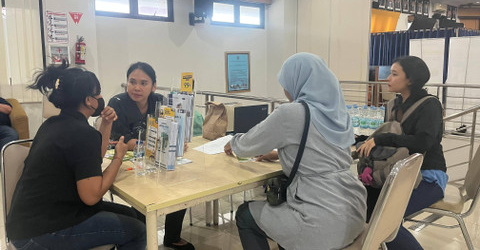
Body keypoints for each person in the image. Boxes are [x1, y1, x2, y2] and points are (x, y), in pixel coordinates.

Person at [224, 53, 367, 250]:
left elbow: (247, 144)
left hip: (320, 219)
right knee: (282, 219)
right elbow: (321, 151)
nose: (284, 89)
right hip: (353, 211)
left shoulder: (291, 113)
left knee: (245, 215)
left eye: (286, 82)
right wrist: (277, 154)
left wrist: (233, 141)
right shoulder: (339, 113)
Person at [6, 63, 146, 249]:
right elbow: (92, 195)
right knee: (138, 230)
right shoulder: (80, 133)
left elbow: (93, 159)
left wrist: (106, 124)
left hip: (32, 220)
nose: (101, 98)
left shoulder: (53, 124)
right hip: (38, 233)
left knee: (133, 215)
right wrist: (118, 158)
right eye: (98, 93)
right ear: (89, 100)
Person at [357, 56, 448, 250]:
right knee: (362, 207)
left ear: (411, 80)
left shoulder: (430, 105)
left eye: (394, 74)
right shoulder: (393, 105)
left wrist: (382, 139)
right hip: (394, 174)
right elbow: (384, 139)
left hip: (428, 176)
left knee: (386, 222)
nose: (388, 78)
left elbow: (423, 142)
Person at [108, 62, 194, 250]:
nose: (137, 87)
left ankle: (172, 236)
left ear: (154, 86)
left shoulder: (160, 101)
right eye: (132, 82)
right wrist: (147, 145)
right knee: (142, 199)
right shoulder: (117, 103)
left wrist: (176, 139)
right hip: (129, 162)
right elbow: (121, 140)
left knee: (180, 189)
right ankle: (142, 236)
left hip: (158, 159)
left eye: (143, 83)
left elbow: (170, 126)